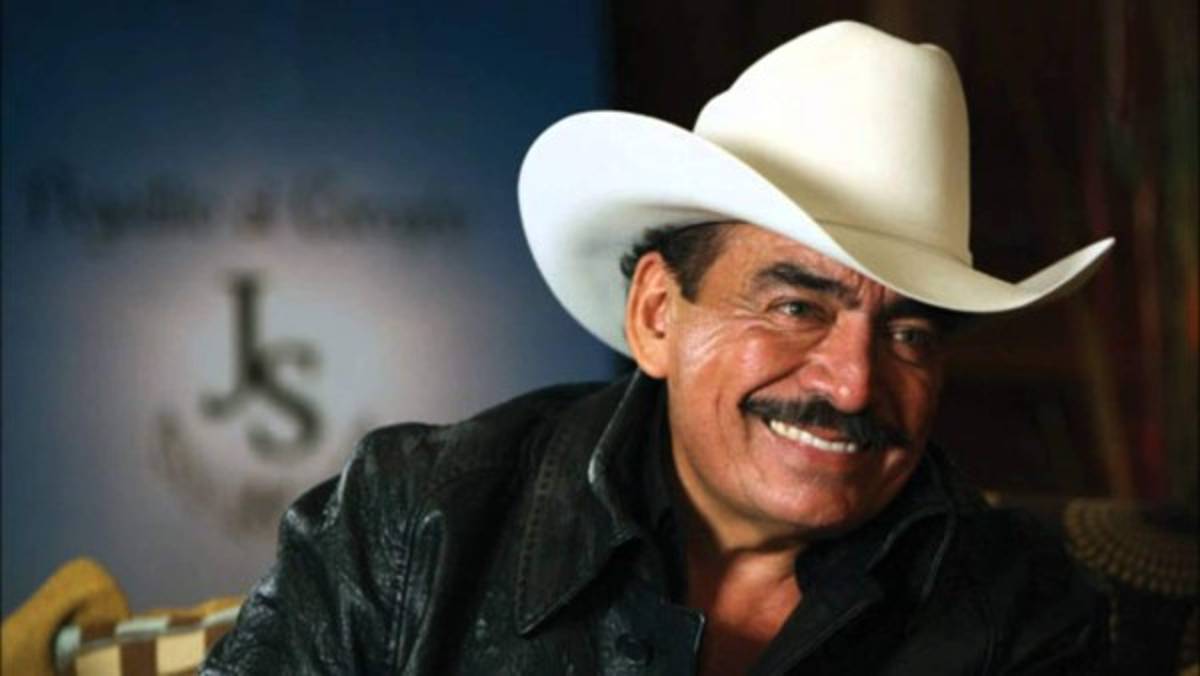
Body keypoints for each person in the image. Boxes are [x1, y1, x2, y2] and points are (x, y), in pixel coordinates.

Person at [203, 21, 1113, 675]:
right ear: (656, 316)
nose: (851, 383)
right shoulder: (411, 524)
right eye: (796, 306)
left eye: (908, 332)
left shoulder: (1019, 609)